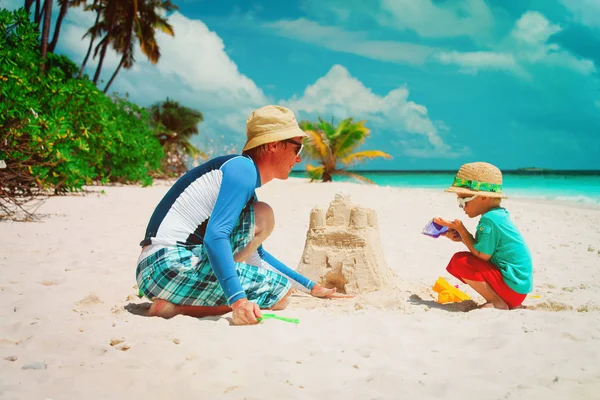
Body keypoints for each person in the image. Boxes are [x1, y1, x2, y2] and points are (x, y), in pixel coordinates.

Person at [136, 105, 351, 325]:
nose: (298, 159)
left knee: (282, 293)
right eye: (298, 148)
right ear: (274, 145)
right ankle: (178, 309)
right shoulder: (242, 170)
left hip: (153, 272)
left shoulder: (239, 175)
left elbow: (256, 257)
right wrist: (238, 302)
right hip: (171, 265)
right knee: (264, 217)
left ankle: (173, 307)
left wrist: (312, 287)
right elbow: (215, 237)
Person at [433, 162, 533, 310]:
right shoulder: (498, 215)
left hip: (512, 290)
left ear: (484, 198)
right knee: (463, 260)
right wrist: (462, 237)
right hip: (518, 288)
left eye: (463, 201)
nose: (461, 207)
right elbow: (488, 250)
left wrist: (462, 230)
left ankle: (497, 301)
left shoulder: (488, 220)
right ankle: (504, 300)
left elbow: (482, 255)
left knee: (459, 261)